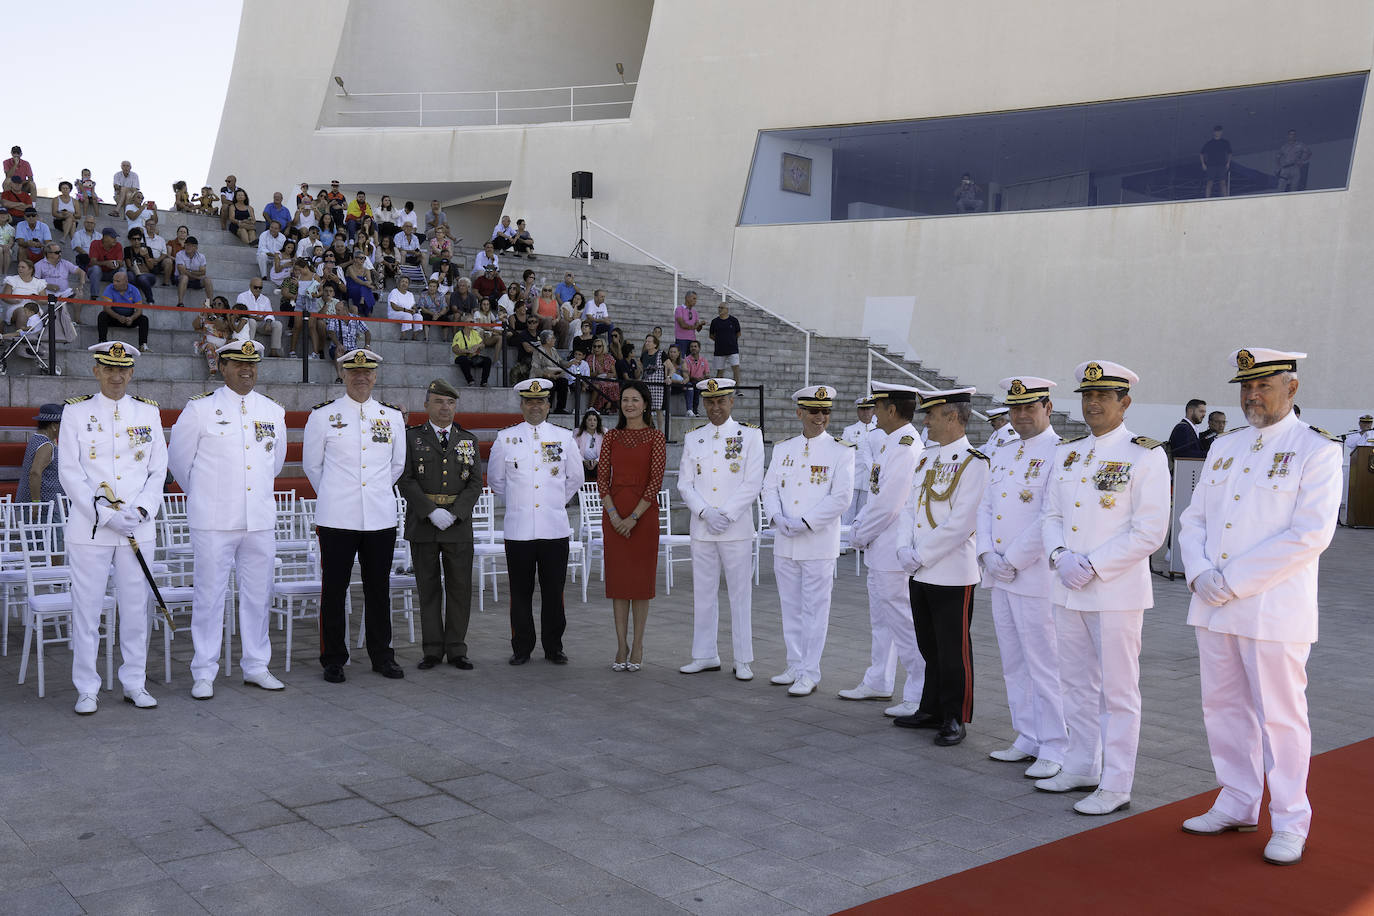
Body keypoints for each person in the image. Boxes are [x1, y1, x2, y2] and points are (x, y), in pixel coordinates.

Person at [1177, 347, 1341, 867]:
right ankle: (1237, 800)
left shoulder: (1315, 449)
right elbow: (1194, 518)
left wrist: (1232, 579)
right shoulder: (1225, 446)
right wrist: (1200, 571)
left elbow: (1310, 534)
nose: (1252, 396)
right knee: (1222, 708)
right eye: (1246, 387)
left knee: (1281, 719)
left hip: (1273, 609)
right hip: (1215, 603)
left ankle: (1291, 819)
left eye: (1264, 386)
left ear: (1291, 390)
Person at [1036, 360, 1170, 815]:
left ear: (1124, 402)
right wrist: (1058, 557)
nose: (1092, 404)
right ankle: (1080, 764)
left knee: (1117, 690)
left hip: (1114, 592)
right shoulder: (1068, 453)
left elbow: (1150, 531)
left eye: (1103, 397)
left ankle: (1116, 782)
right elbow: (1050, 515)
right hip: (1067, 586)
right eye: (1087, 397)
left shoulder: (1145, 454)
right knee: (1073, 682)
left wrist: (1091, 564)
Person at [167, 340, 287, 699]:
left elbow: (274, 465)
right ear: (222, 367)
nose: (246, 369)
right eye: (238, 363)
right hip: (214, 520)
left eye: (252, 363)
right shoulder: (200, 410)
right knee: (209, 596)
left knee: (257, 595)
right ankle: (203, 671)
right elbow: (179, 463)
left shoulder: (272, 411)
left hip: (259, 519)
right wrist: (208, 496)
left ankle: (256, 665)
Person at [59, 342, 166, 714]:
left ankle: (134, 682)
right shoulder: (75, 413)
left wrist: (140, 510)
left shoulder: (148, 413)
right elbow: (70, 473)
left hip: (137, 529)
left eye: (123, 370)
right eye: (109, 369)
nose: (116, 376)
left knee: (136, 609)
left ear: (131, 373)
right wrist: (105, 516)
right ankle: (87, 686)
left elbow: (157, 470)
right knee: (86, 610)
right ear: (96, 371)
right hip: (91, 531)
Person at [975, 377, 1068, 778]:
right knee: (1013, 661)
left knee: (1044, 663)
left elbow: (1049, 516)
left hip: (1034, 575)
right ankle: (1027, 735)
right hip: (1000, 572)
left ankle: (1056, 745)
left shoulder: (1062, 453)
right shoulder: (1004, 451)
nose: (1021, 416)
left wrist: (1010, 558)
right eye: (1015, 409)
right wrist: (986, 555)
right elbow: (985, 506)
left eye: (1029, 408)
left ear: (1047, 407)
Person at [889, 387, 990, 746]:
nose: (926, 421)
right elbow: (910, 509)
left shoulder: (974, 462)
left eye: (931, 414)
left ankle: (954, 715)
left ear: (952, 416)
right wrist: (903, 548)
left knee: (953, 650)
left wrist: (922, 553)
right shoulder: (926, 458)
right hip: (919, 568)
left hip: (951, 572)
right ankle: (931, 707)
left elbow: (963, 522)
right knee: (928, 644)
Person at [302, 349, 407, 683]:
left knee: (379, 589)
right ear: (343, 374)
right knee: (334, 589)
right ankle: (333, 658)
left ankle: (381, 655)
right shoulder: (323, 416)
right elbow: (312, 466)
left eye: (367, 372)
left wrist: (370, 491)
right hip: (337, 517)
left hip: (379, 516)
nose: (361, 377)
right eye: (354, 372)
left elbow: (397, 465)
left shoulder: (391, 417)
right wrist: (338, 493)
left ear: (375, 376)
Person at [839, 382, 927, 715]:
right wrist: (862, 528)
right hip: (881, 547)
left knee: (904, 624)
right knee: (882, 621)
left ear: (892, 410)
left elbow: (891, 503)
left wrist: (860, 533)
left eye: (878, 407)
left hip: (892, 547)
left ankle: (918, 693)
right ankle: (878, 680)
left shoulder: (905, 446)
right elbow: (877, 495)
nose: (873, 412)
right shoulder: (889, 442)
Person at [763, 385, 855, 697]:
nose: (820, 417)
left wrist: (804, 522)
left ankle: (810, 672)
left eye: (825, 411)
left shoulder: (842, 450)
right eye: (814, 411)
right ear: (799, 412)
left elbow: (841, 498)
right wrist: (776, 518)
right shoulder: (783, 448)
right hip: (786, 541)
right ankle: (794, 663)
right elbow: (769, 488)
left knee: (815, 609)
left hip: (817, 542)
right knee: (790, 607)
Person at [676, 378, 766, 679]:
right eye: (710, 402)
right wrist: (705, 512)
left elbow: (753, 482)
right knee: (703, 593)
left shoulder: (750, 436)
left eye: (721, 401)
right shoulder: (693, 438)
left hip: (735, 527)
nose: (716, 407)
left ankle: (743, 659)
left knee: (740, 594)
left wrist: (724, 514)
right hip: (702, 528)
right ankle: (704, 654)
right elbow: (684, 483)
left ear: (732, 402)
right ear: (703, 403)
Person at [488, 379, 581, 665]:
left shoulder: (564, 437)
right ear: (522, 405)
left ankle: (554, 646)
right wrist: (522, 500)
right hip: (519, 529)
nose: (535, 406)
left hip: (553, 528)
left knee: (554, 591)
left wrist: (552, 503)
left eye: (540, 401)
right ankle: (522, 647)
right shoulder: (506, 439)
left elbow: (574, 478)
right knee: (520, 592)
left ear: (549, 405)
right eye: (530, 401)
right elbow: (496, 481)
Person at [396, 379, 483, 671]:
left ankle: (457, 648)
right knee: (428, 588)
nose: (445, 408)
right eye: (438, 402)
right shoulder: (411, 438)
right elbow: (404, 478)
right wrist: (431, 511)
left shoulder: (468, 439)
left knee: (460, 588)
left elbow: (475, 482)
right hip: (424, 523)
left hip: (458, 525)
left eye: (450, 402)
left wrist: (456, 512)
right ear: (426, 405)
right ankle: (432, 649)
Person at [598, 381, 668, 672]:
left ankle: (638, 644)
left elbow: (655, 481)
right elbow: (602, 480)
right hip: (615, 513)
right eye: (625, 399)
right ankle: (620, 644)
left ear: (645, 404)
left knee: (639, 585)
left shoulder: (656, 437)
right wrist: (615, 516)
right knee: (618, 585)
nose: (629, 405)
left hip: (643, 515)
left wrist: (633, 517)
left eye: (635, 399)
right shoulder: (611, 436)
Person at [840, 396, 878, 527]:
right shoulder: (849, 430)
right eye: (863, 410)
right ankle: (845, 543)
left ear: (873, 411)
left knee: (864, 514)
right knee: (847, 513)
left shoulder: (879, 431)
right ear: (858, 411)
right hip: (853, 478)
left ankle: (860, 543)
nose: (866, 413)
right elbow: (843, 455)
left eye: (869, 410)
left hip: (869, 479)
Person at [17, 403, 63, 504]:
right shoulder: (46, 445)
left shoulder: (38, 438)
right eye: (63, 424)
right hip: (45, 507)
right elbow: (35, 473)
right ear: (54, 426)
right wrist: (36, 503)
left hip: (43, 504)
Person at [96, 271, 150, 350]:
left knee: (144, 319)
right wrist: (118, 317)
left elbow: (139, 310)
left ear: (126, 282)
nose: (114, 283)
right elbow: (106, 308)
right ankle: (102, 342)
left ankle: (143, 345)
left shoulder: (134, 290)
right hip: (114, 317)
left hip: (129, 319)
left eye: (117, 281)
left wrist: (132, 318)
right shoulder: (109, 288)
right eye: (113, 280)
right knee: (102, 315)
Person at [174, 236, 215, 307]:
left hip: (195, 280)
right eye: (187, 245)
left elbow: (203, 272)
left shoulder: (201, 256)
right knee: (184, 277)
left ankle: (210, 304)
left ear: (196, 247)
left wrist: (189, 271)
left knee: (207, 280)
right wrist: (196, 275)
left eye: (191, 245)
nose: (188, 247)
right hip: (180, 279)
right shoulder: (179, 254)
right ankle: (180, 302)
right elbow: (182, 271)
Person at [708, 301, 742, 385]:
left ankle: (737, 389)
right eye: (719, 307)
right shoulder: (715, 321)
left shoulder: (734, 320)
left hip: (732, 349)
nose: (719, 309)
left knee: (736, 369)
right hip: (719, 350)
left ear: (727, 309)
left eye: (721, 308)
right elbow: (711, 335)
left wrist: (731, 340)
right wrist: (720, 341)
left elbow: (738, 333)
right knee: (720, 371)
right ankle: (718, 390)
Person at [451, 319, 492, 386]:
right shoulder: (458, 335)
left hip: (473, 358)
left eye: (473, 322)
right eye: (471, 322)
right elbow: (454, 349)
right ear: (465, 323)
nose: (473, 323)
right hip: (462, 357)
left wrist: (478, 346)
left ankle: (484, 382)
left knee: (488, 360)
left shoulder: (475, 333)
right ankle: (470, 380)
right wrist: (467, 351)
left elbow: (483, 345)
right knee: (464, 359)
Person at [1201, 125, 1233, 198]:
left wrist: (1228, 163)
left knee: (1223, 182)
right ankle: (1207, 199)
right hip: (1211, 165)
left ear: (1221, 132)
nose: (1217, 133)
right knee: (1209, 183)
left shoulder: (1225, 142)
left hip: (1222, 165)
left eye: (1219, 131)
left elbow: (1229, 153)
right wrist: (1203, 164)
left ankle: (1225, 198)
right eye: (1216, 131)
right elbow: (1201, 153)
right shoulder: (1209, 143)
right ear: (1213, 132)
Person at [681, 340, 711, 417]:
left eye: (695, 346)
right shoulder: (686, 360)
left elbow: (707, 374)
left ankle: (695, 410)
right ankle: (693, 410)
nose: (693, 348)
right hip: (691, 381)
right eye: (691, 347)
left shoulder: (704, 360)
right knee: (693, 386)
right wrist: (695, 378)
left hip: (701, 382)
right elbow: (687, 375)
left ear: (699, 348)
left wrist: (702, 378)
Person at [673, 290, 706, 358]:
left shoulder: (695, 312)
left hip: (692, 340)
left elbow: (698, 329)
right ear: (687, 298)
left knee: (691, 361)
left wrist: (700, 325)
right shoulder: (679, 309)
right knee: (680, 360)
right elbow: (683, 325)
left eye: (696, 299)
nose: (695, 301)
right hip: (681, 339)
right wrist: (696, 325)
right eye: (694, 298)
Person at [574, 409, 604, 481]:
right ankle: (580, 491)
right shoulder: (578, 432)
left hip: (598, 462)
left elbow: (606, 450)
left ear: (598, 422)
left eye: (594, 420)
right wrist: (583, 460)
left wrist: (597, 461)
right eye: (589, 420)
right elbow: (574, 450)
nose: (592, 422)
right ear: (585, 421)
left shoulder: (603, 432)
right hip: (582, 462)